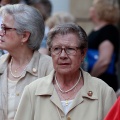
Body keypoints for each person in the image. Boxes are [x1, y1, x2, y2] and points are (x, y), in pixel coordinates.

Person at [14, 23, 116, 120]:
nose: (63, 55)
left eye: (70, 49)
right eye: (57, 49)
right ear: (51, 53)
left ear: (83, 53)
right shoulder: (33, 91)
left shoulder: (104, 93)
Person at [0, 4, 53, 120]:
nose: (0, 32)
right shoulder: (1, 64)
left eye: (5, 28)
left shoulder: (51, 69)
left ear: (24, 36)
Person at [87, 0, 120, 92]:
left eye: (93, 6)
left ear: (99, 10)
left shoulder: (109, 30)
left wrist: (88, 79)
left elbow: (104, 61)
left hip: (104, 83)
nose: (90, 9)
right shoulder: (97, 29)